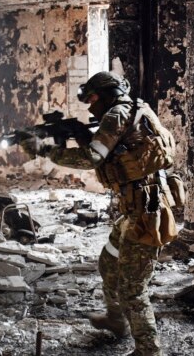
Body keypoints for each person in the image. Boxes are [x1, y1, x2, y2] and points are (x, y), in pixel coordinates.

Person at [20, 71, 177, 356]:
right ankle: (116, 320)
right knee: (108, 263)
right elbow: (112, 150)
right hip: (135, 209)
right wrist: (80, 134)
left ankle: (149, 350)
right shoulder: (132, 109)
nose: (90, 105)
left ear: (108, 94)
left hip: (146, 212)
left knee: (133, 288)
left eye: (93, 98)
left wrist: (46, 150)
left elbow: (91, 157)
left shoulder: (116, 115)